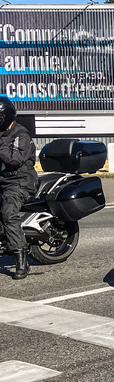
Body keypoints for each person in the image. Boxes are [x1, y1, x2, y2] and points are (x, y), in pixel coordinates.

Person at [0, 96, 37, 279]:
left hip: (21, 181)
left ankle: (21, 259)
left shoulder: (21, 134)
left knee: (8, 211)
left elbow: (14, 159)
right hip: (3, 180)